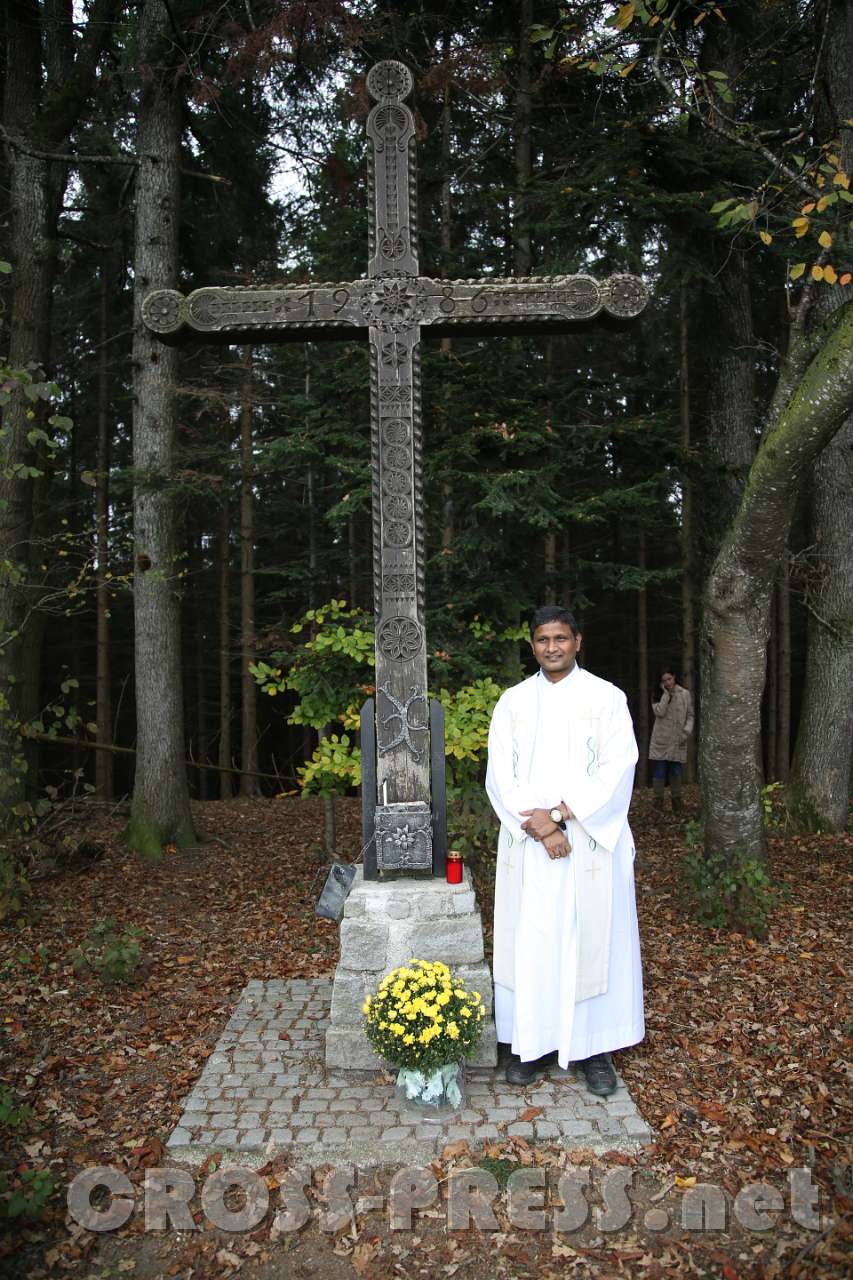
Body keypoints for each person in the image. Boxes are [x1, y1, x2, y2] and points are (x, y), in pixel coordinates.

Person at [485, 605, 644, 1094]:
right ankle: (530, 1046)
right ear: (532, 645)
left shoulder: (606, 697)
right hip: (530, 847)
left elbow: (619, 768)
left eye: (560, 638)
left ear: (577, 641)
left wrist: (559, 816)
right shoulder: (512, 702)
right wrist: (542, 827)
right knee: (533, 941)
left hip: (590, 845)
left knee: (589, 941)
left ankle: (594, 1050)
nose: (551, 647)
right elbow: (500, 775)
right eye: (542, 639)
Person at [649, 669, 694, 814]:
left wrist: (686, 732)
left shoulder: (684, 694)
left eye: (669, 679)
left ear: (674, 677)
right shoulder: (657, 694)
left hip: (678, 739)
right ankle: (658, 803)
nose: (668, 682)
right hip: (661, 740)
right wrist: (666, 695)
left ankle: (677, 803)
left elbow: (690, 715)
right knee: (660, 770)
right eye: (664, 681)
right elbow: (659, 712)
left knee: (675, 770)